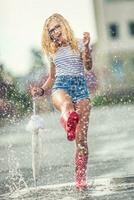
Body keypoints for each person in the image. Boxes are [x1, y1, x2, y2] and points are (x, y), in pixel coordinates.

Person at [30, 13, 92, 189]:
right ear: (49, 34)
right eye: (51, 30)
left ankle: (80, 179)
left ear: (64, 25)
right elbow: (52, 77)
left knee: (81, 141)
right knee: (66, 105)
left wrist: (87, 48)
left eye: (58, 27)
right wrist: (41, 89)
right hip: (61, 86)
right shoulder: (52, 51)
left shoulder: (80, 43)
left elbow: (88, 66)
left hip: (81, 88)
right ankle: (68, 121)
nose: (55, 32)